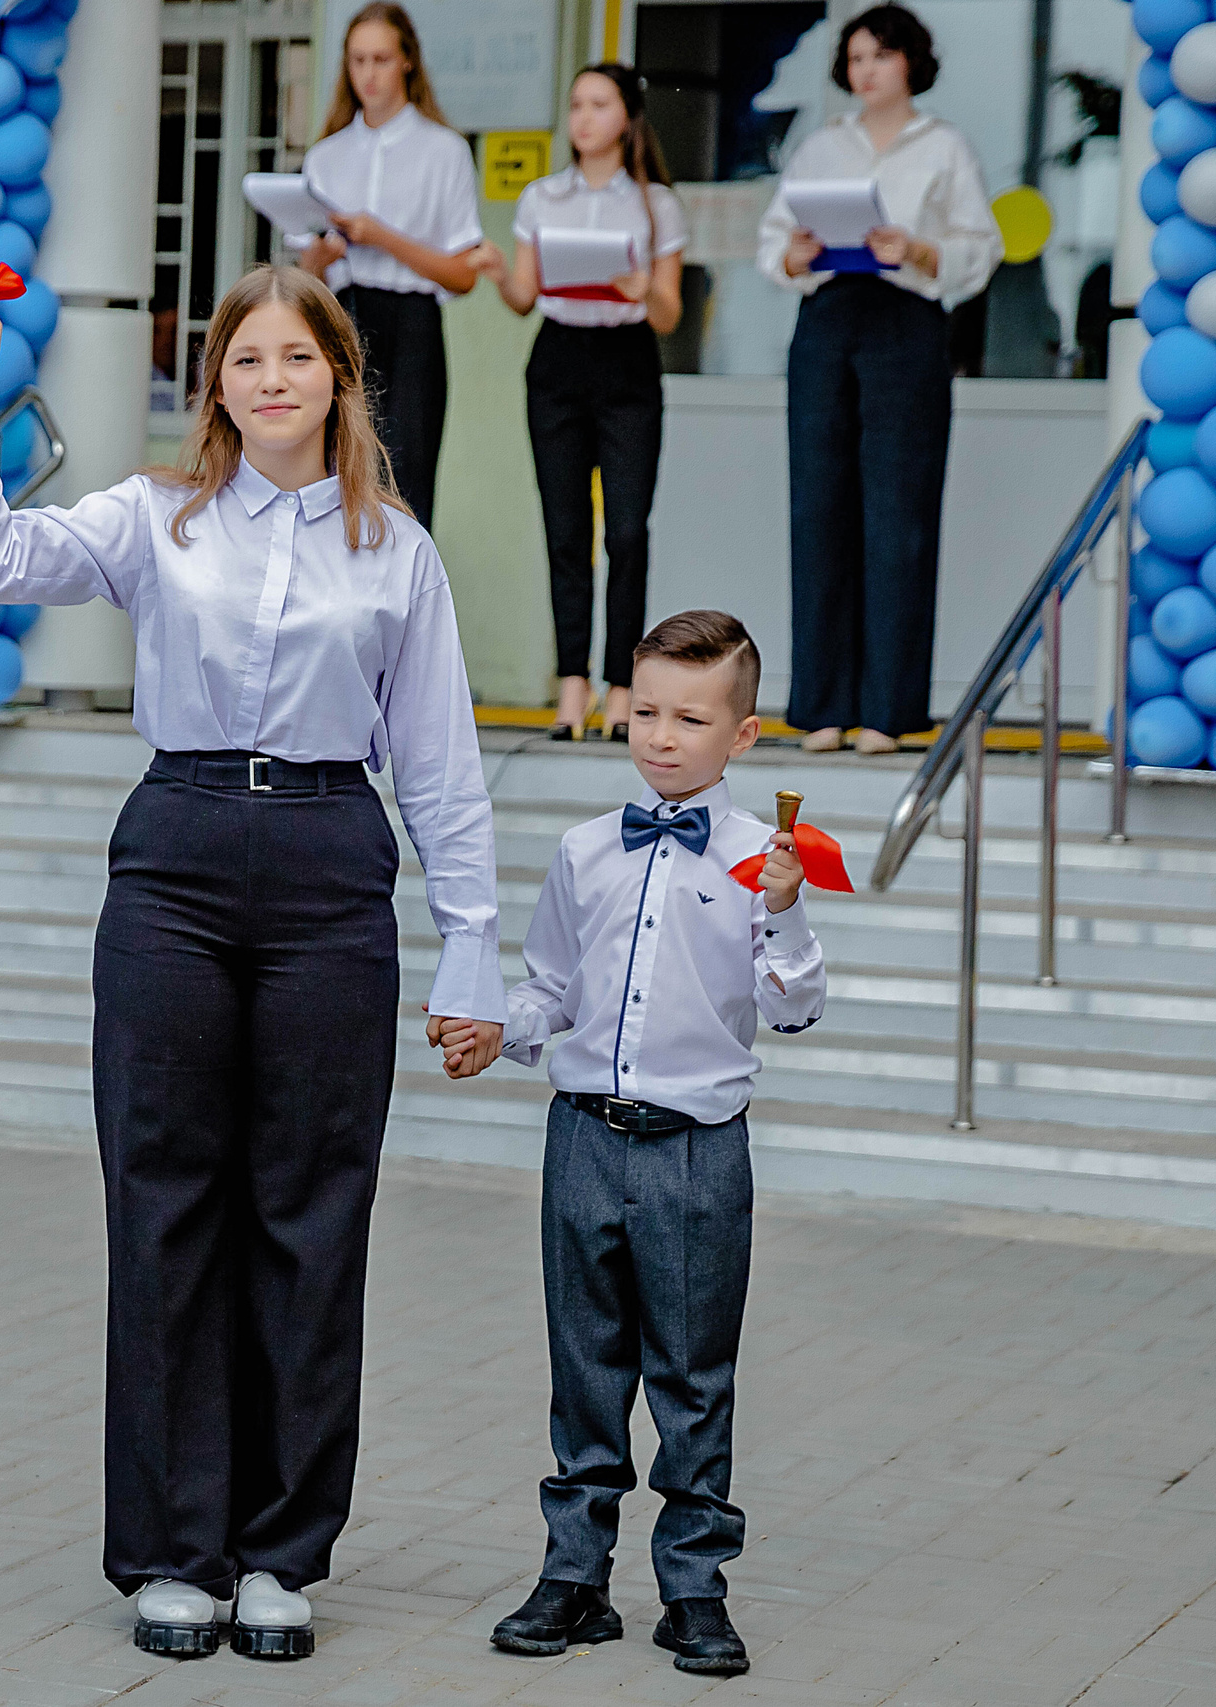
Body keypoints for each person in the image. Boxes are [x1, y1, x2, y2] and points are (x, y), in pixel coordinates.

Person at [0, 264, 507, 1662]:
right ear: (218, 387)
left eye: (294, 358)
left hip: (326, 861)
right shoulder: (153, 515)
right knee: (166, 1197)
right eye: (244, 359)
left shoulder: (398, 553)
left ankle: (282, 1549)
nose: (268, 380)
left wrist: (474, 945)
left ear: (338, 379)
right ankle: (176, 1546)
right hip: (176, 853)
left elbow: (438, 764)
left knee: (311, 1209)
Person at [441, 610, 824, 1678]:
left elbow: (792, 1013)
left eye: (689, 717)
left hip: (697, 1150)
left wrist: (786, 916)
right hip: (581, 1140)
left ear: (740, 736)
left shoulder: (762, 859)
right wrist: (494, 1031)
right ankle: (573, 1578)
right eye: (644, 710)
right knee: (583, 1367)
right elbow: (552, 987)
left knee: (692, 1374)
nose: (660, 735)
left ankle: (695, 1587)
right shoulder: (583, 851)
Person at [755, 5, 1000, 754]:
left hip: (906, 325)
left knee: (899, 515)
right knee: (819, 507)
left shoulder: (946, 146)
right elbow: (773, 241)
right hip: (827, 323)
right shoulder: (821, 146)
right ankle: (823, 706)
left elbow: (979, 247)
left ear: (911, 64)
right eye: (856, 58)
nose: (866, 71)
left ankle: (889, 711)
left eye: (881, 57)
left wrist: (918, 250)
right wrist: (796, 254)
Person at [471, 65, 685, 744]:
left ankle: (627, 685)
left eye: (599, 105)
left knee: (625, 532)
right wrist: (502, 271)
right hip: (558, 360)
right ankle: (573, 682)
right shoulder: (542, 198)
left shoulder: (657, 204)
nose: (583, 118)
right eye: (576, 105)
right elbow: (524, 297)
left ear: (628, 117)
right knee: (565, 530)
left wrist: (642, 285)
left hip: (627, 364)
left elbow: (670, 314)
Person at [295, 1, 483, 530]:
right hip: (341, 319)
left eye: (380, 59)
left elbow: (463, 274)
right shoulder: (327, 155)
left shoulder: (443, 151)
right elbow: (309, 278)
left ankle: (402, 610)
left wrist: (384, 238)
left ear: (407, 62)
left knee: (407, 481)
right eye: (357, 61)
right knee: (333, 471)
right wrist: (323, 255)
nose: (368, 74)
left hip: (413, 324)